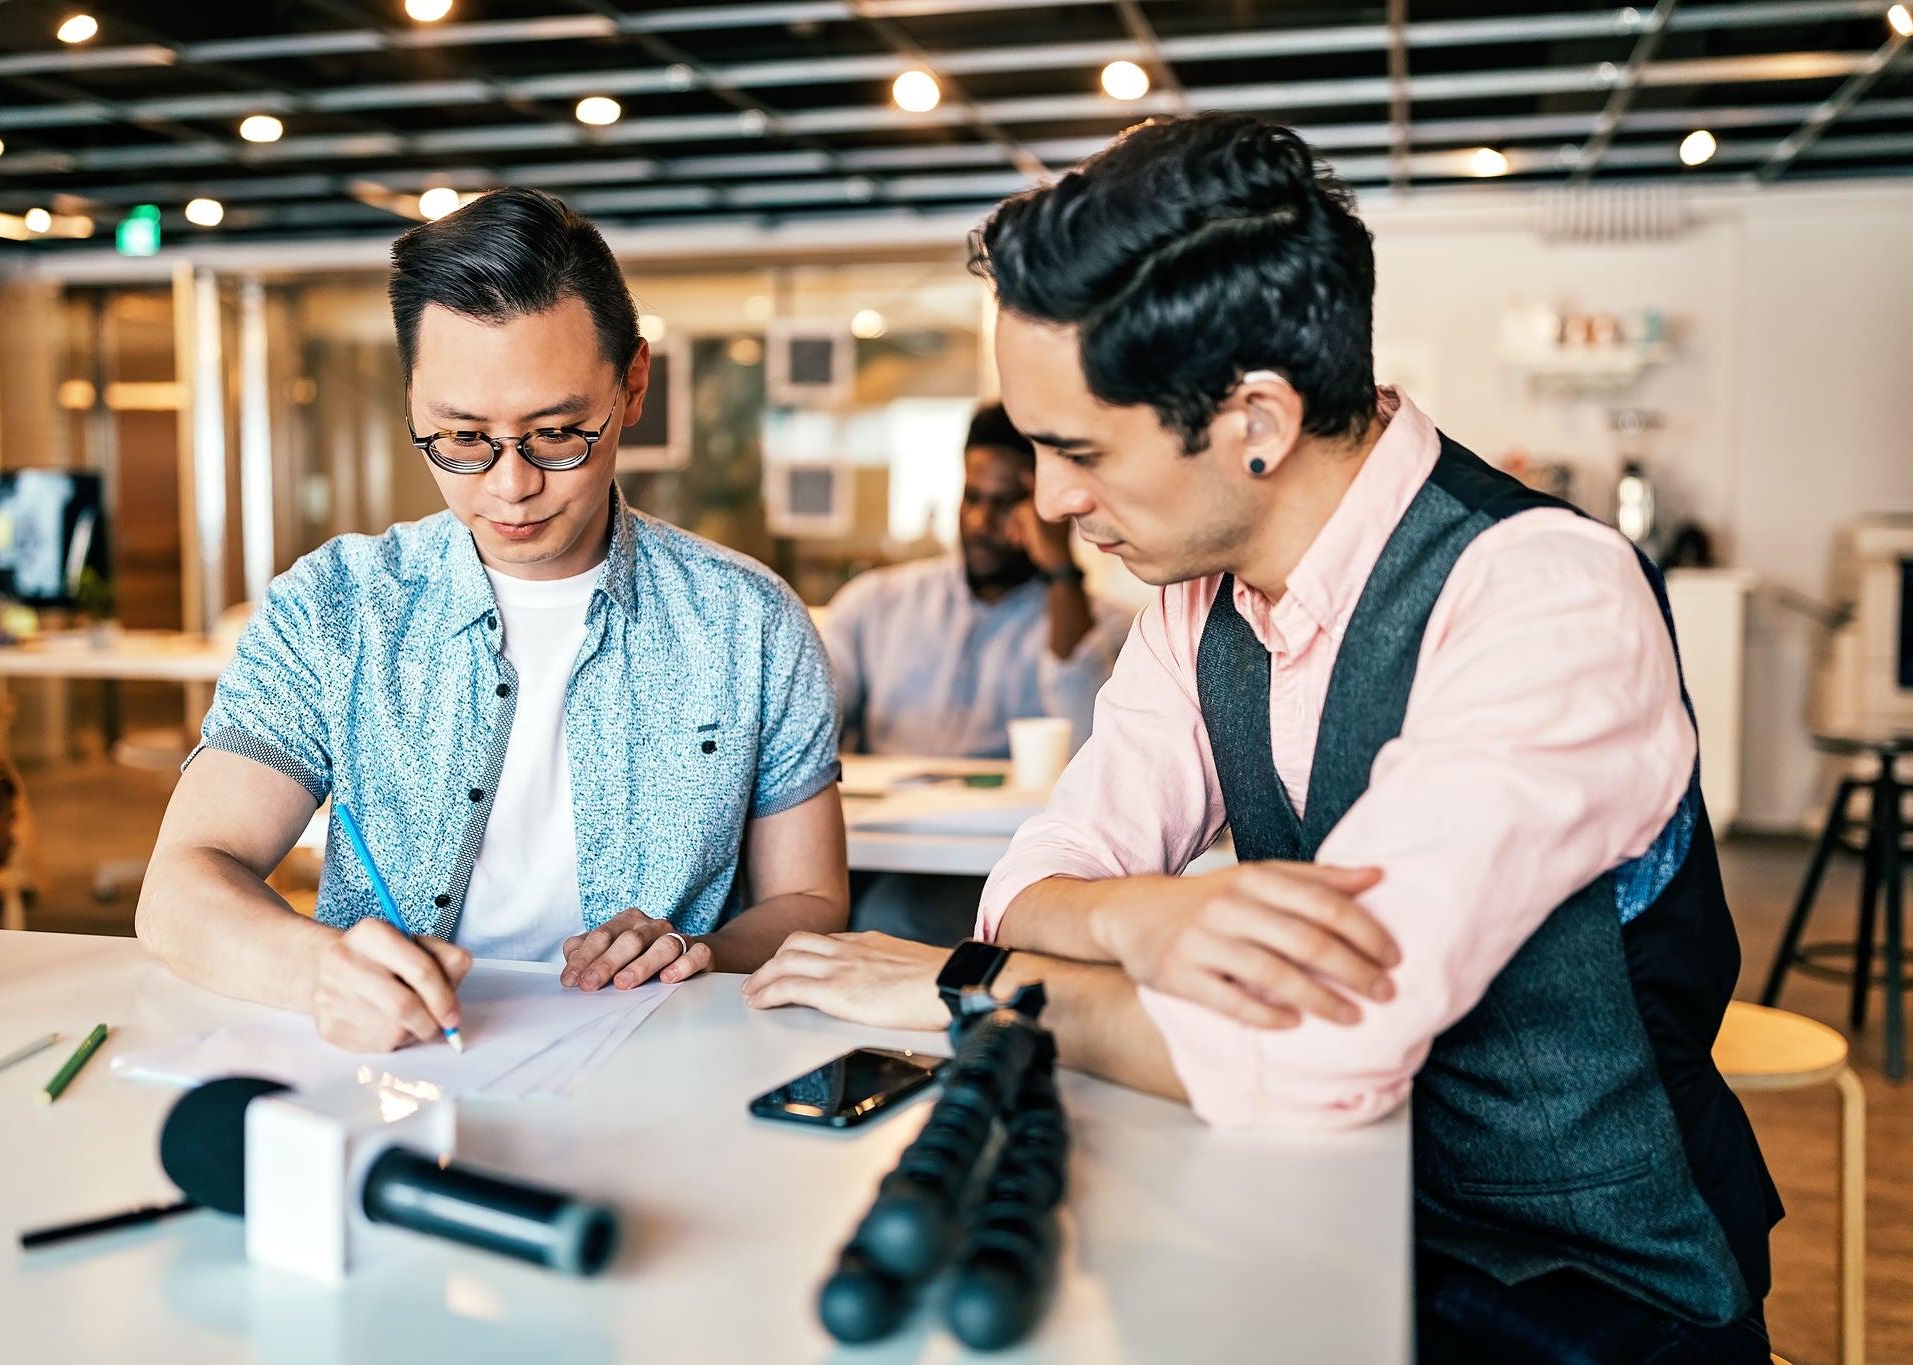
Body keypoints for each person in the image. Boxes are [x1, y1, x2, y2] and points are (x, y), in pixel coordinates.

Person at [743, 114, 1778, 1363]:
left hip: (1588, 1295)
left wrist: (966, 987)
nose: (1054, 501)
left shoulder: (1544, 594)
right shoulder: (1195, 602)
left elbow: (1299, 1053)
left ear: (1256, 420)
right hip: (1323, 1218)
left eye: (1077, 450)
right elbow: (1029, 879)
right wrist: (1140, 920)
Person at [139, 188, 846, 1054]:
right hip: (397, 1066)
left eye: (556, 433)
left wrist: (696, 950)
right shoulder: (335, 609)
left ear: (633, 384)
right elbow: (179, 887)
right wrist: (318, 969)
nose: (510, 487)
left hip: (661, 1062)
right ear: (411, 398)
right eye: (461, 437)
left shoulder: (751, 622)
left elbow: (811, 901)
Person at [818, 402, 1130, 759]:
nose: (980, 523)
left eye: (1006, 502)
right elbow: (809, 724)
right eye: (973, 497)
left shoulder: (1113, 630)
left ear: (1050, 509)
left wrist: (1061, 569)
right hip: (889, 815)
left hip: (1019, 817)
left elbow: (1089, 749)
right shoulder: (873, 604)